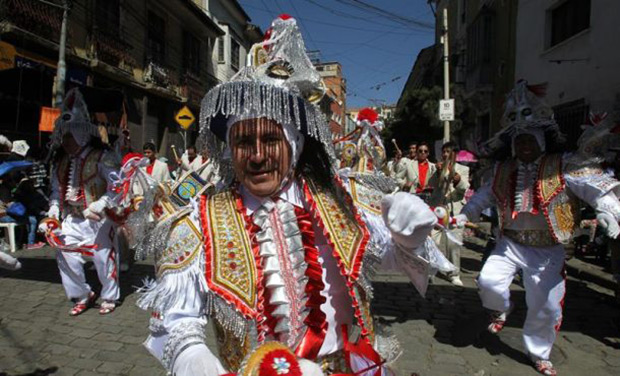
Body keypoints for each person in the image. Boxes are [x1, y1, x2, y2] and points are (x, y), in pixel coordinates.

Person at [136, 15, 440, 375]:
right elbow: (177, 322)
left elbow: (387, 259)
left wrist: (409, 234)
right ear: (230, 151)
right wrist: (194, 358)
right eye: (244, 142)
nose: (258, 155)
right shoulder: (201, 220)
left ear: (294, 146)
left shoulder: (340, 199)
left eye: (271, 140)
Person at [455, 81, 620, 375]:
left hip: (548, 250)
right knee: (488, 282)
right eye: (520, 142)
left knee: (544, 306)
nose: (524, 146)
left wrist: (607, 213)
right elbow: (483, 196)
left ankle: (539, 353)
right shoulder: (503, 170)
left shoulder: (562, 166)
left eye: (530, 140)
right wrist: (466, 214)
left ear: (542, 141)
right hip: (510, 243)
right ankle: (502, 308)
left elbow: (595, 189)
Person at [41, 88, 121, 316]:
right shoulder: (61, 161)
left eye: (69, 135)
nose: (65, 141)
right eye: (63, 136)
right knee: (63, 252)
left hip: (99, 219)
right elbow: (57, 191)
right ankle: (83, 293)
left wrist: (102, 204)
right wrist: (53, 211)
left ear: (81, 134)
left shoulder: (103, 157)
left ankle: (109, 295)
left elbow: (118, 187)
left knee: (102, 256)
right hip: (72, 218)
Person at [428, 141, 470, 286]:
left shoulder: (463, 169)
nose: (445, 154)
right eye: (444, 152)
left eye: (448, 152)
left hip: (455, 210)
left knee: (453, 244)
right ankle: (432, 269)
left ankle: (454, 273)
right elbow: (431, 184)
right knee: (433, 241)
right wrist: (438, 172)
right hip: (438, 209)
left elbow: (464, 189)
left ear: (455, 154)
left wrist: (458, 180)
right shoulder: (437, 167)